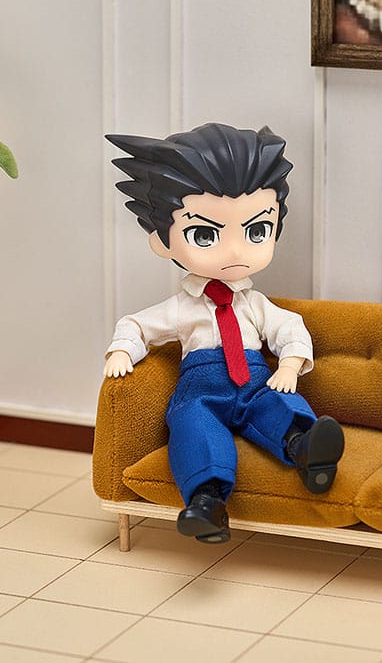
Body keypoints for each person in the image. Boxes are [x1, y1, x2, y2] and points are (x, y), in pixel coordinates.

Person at [104, 123, 344, 544]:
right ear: (162, 240)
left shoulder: (254, 303)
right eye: (205, 234)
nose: (235, 251)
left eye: (256, 231)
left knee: (279, 405)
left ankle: (306, 450)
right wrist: (122, 351)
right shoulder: (182, 307)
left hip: (255, 384)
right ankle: (207, 504)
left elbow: (288, 327)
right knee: (194, 427)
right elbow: (138, 324)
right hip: (201, 391)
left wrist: (289, 365)